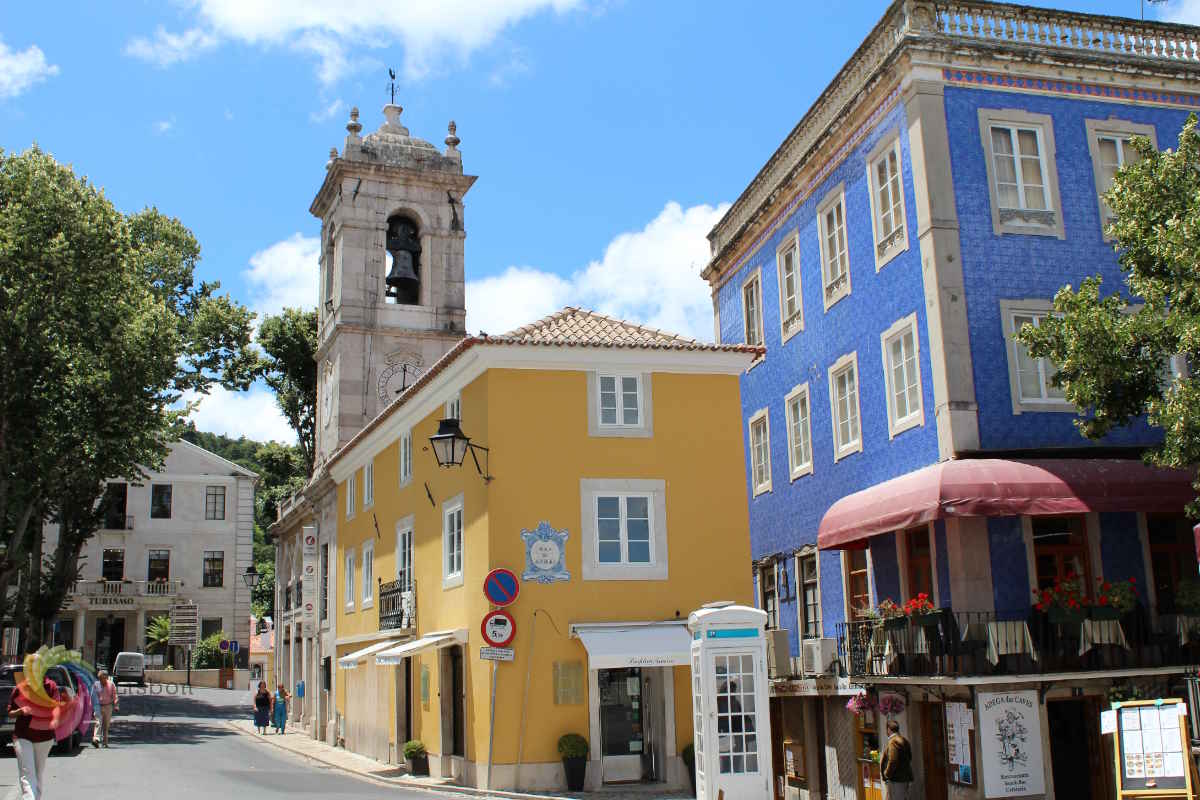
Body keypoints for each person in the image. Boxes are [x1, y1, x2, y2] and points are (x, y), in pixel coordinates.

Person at [9, 676, 62, 800]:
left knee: (38, 773)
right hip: (23, 735)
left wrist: (55, 719)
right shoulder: (21, 687)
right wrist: (20, 711)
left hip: (44, 736)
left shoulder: (51, 686)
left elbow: (56, 707)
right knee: (27, 773)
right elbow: (10, 712)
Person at [879, 719, 914, 800]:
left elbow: (893, 761)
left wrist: (886, 773)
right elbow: (910, 757)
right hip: (903, 778)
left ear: (889, 729)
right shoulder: (904, 740)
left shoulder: (893, 741)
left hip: (896, 779)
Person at [92, 669, 118, 748]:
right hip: (98, 706)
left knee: (106, 725)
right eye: (99, 678)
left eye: (102, 678)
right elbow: (93, 696)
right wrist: (92, 707)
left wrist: (116, 705)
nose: (100, 680)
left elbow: (115, 695)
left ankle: (105, 742)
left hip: (108, 706)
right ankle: (96, 739)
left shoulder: (111, 684)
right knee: (98, 723)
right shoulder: (96, 684)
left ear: (106, 677)